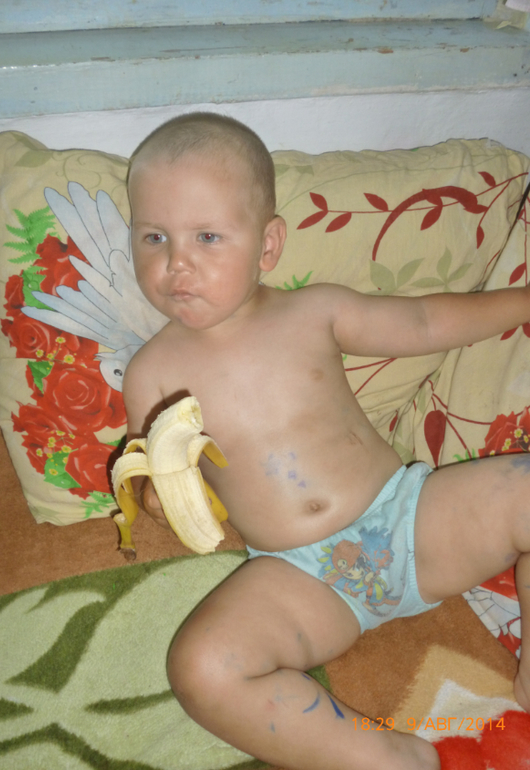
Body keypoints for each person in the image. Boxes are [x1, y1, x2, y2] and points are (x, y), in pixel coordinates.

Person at [123, 111, 530, 770]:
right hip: (301, 578)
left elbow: (425, 322)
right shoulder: (151, 373)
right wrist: (158, 492)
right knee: (201, 668)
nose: (176, 264)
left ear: (267, 246)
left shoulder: (313, 310)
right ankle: (387, 757)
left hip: (410, 521)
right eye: (153, 237)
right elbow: (156, 486)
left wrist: (523, 301)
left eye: (207, 236)